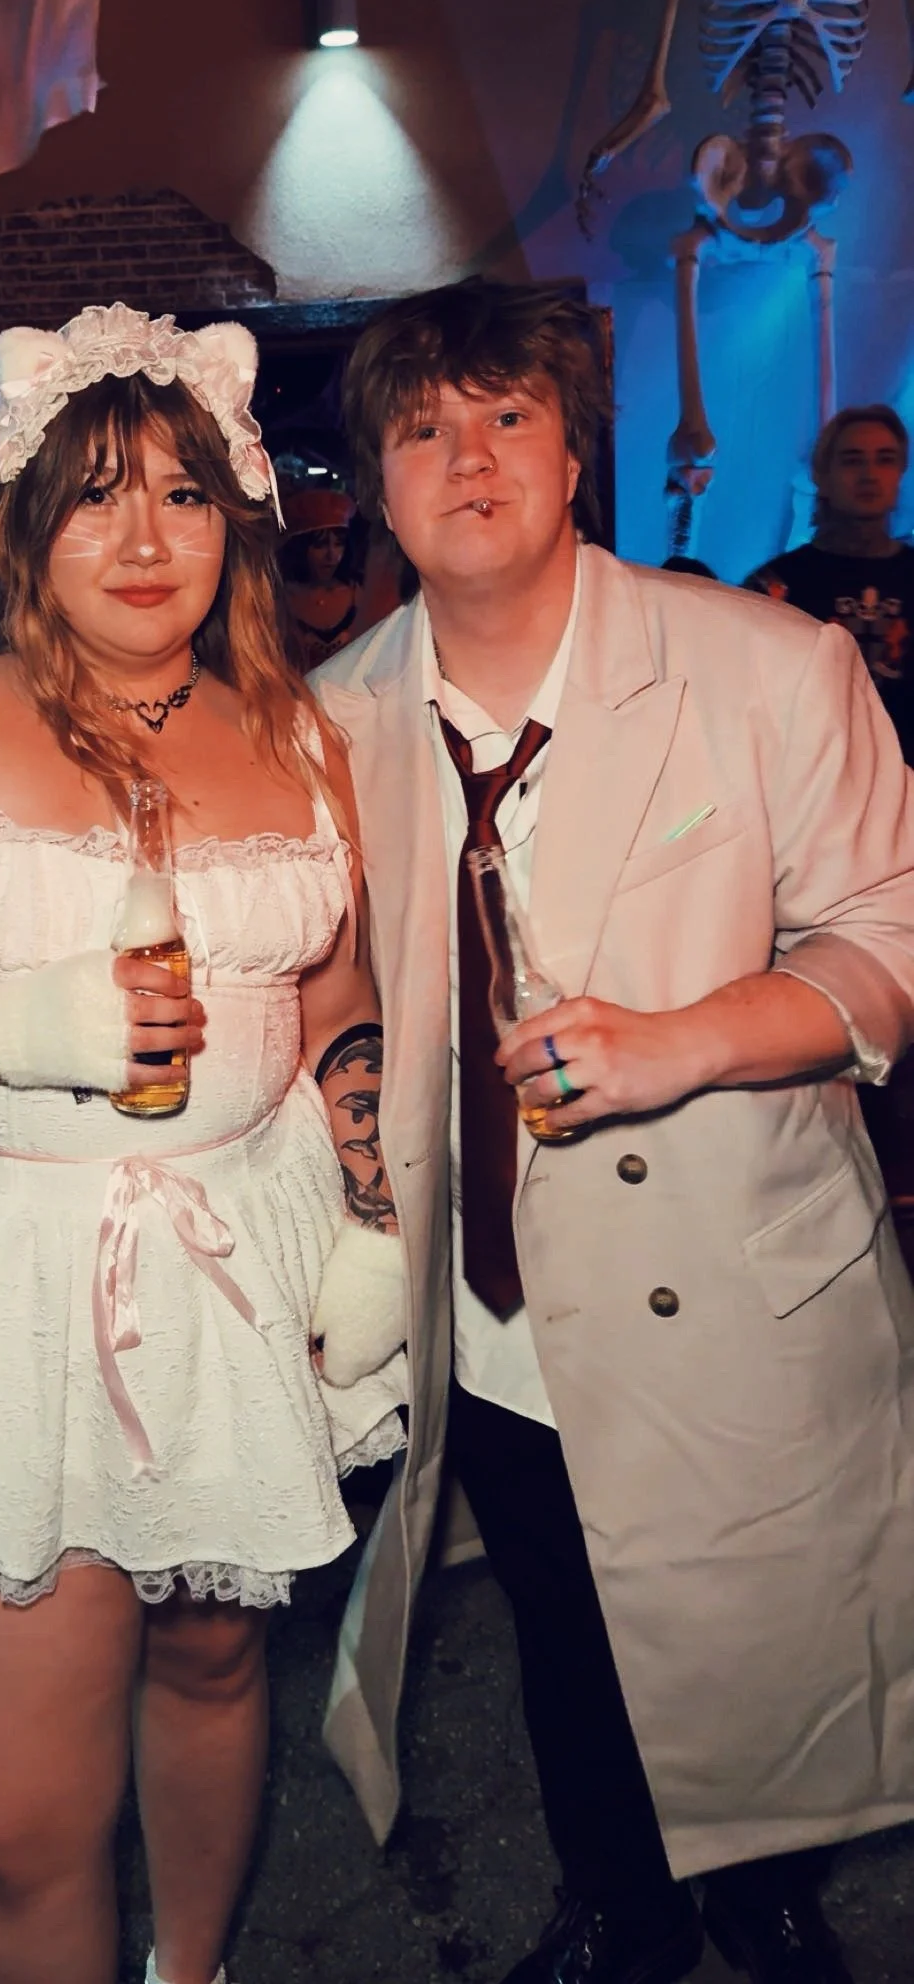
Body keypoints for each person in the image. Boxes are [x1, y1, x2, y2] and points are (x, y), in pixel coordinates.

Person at [0, 304, 406, 1984]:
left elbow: (335, 992)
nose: (141, 536)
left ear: (235, 517)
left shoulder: (302, 730)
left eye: (182, 493)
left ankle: (192, 1965)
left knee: (208, 1665)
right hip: (3, 1281)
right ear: (24, 520)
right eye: (94, 492)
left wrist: (371, 1173)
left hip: (241, 1262)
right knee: (26, 1819)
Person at [310, 281, 914, 1984]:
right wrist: (353, 1071)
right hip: (494, 1293)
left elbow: (889, 930)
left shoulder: (767, 665)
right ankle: (621, 1904)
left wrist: (686, 1039)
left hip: (731, 1249)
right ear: (374, 481)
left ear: (574, 449)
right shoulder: (334, 714)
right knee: (569, 1620)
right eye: (421, 428)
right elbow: (328, 960)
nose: (468, 455)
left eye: (506, 413)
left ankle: (768, 1891)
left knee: (764, 1597)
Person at [744, 404, 914, 760]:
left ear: (901, 471)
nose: (869, 474)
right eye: (852, 460)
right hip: (810, 785)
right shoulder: (775, 588)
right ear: (822, 473)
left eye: (884, 459)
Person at [277, 486, 371, 670]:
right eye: (320, 545)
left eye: (339, 544)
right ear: (299, 549)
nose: (332, 555)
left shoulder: (358, 593)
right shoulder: (278, 600)